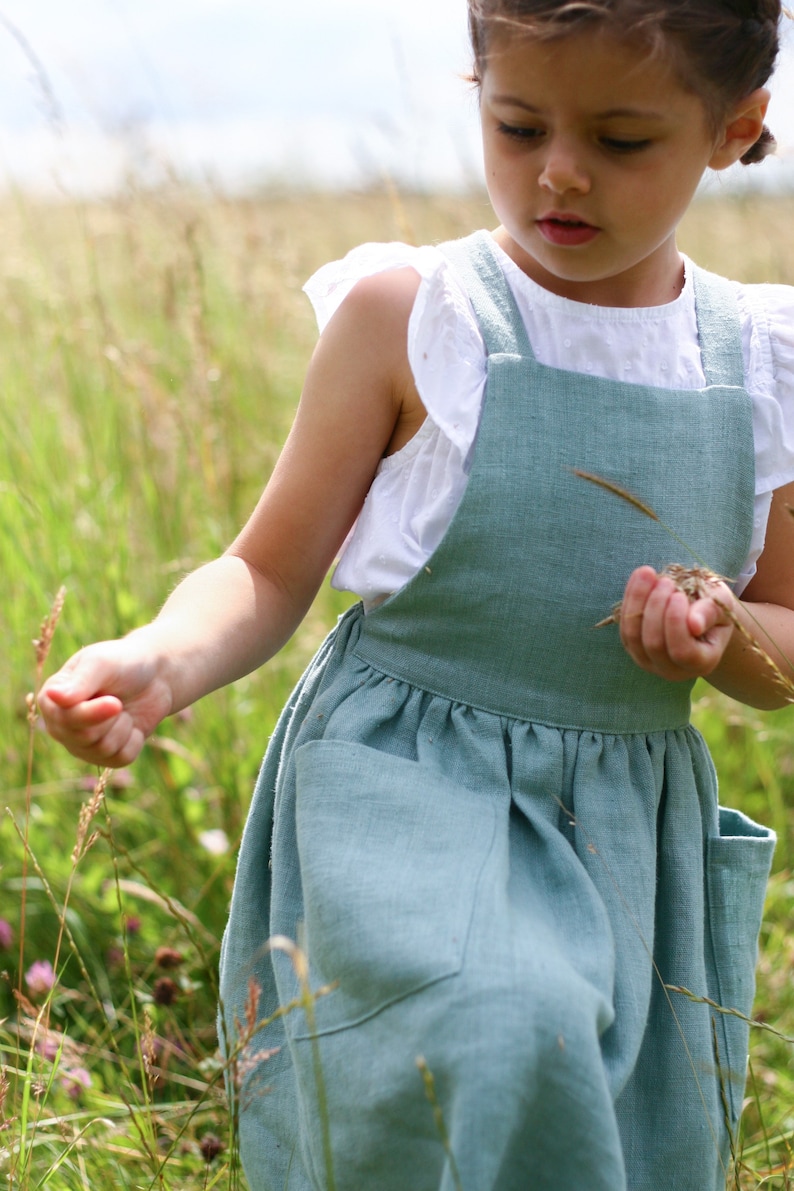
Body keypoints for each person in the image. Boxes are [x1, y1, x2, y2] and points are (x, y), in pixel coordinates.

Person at [39, 0, 794, 1187]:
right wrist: (163, 658)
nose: (557, 171)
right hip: (410, 792)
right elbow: (266, 566)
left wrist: (724, 632)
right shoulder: (414, 316)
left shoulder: (755, 360)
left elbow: (781, 654)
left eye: (620, 139)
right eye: (515, 123)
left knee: (597, 1130)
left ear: (731, 128)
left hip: (622, 825)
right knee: (503, 1030)